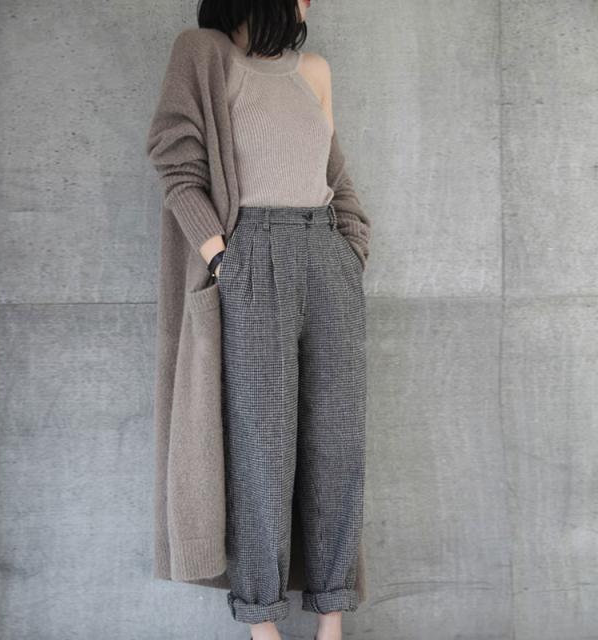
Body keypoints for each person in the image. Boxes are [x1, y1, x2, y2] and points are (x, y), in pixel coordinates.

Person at [148, 2, 370, 639]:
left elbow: (334, 172)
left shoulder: (314, 70)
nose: (309, 0)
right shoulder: (203, 54)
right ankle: (262, 625)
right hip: (251, 257)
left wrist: (352, 246)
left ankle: (332, 622)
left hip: (326, 254)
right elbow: (175, 162)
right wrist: (222, 257)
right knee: (261, 450)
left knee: (338, 446)